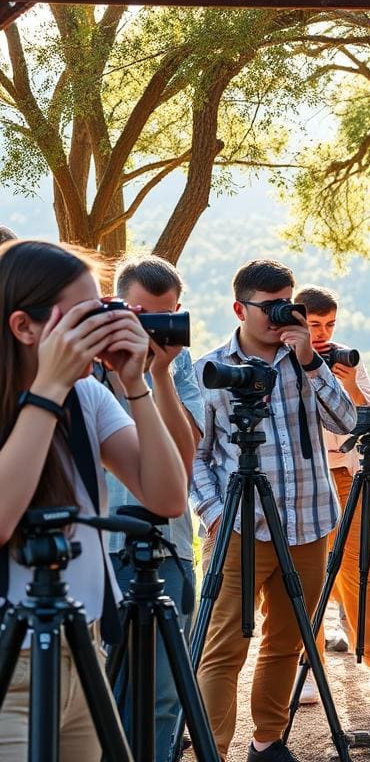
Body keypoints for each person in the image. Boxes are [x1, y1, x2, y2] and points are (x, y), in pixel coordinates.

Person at [0, 240, 187, 760]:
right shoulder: (56, 395)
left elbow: (167, 496)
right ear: (24, 326)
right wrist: (48, 389)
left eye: (102, 313)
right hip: (7, 663)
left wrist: (138, 383)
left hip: (83, 650)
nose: (98, 331)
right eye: (82, 318)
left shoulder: (88, 398)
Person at [192, 260, 357, 762]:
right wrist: (215, 514)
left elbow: (346, 421)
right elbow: (195, 455)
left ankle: (267, 742)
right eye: (270, 307)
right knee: (222, 650)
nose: (282, 315)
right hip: (238, 528)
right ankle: (212, 751)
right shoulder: (212, 369)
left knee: (288, 642)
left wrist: (310, 360)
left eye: (290, 304)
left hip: (308, 524)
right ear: (240, 308)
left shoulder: (306, 360)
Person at [103, 256, 204, 762]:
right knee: (98, 696)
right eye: (139, 314)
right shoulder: (89, 358)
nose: (149, 327)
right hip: (101, 546)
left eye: (162, 316)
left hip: (166, 546)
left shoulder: (178, 362)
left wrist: (159, 373)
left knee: (162, 702)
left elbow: (184, 462)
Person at [292, 285, 370, 703]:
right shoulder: (284, 358)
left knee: (360, 571)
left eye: (329, 325)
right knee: (306, 574)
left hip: (344, 474)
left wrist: (351, 387)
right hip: (301, 478)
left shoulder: (347, 361)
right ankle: (308, 666)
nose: (322, 333)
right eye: (314, 325)